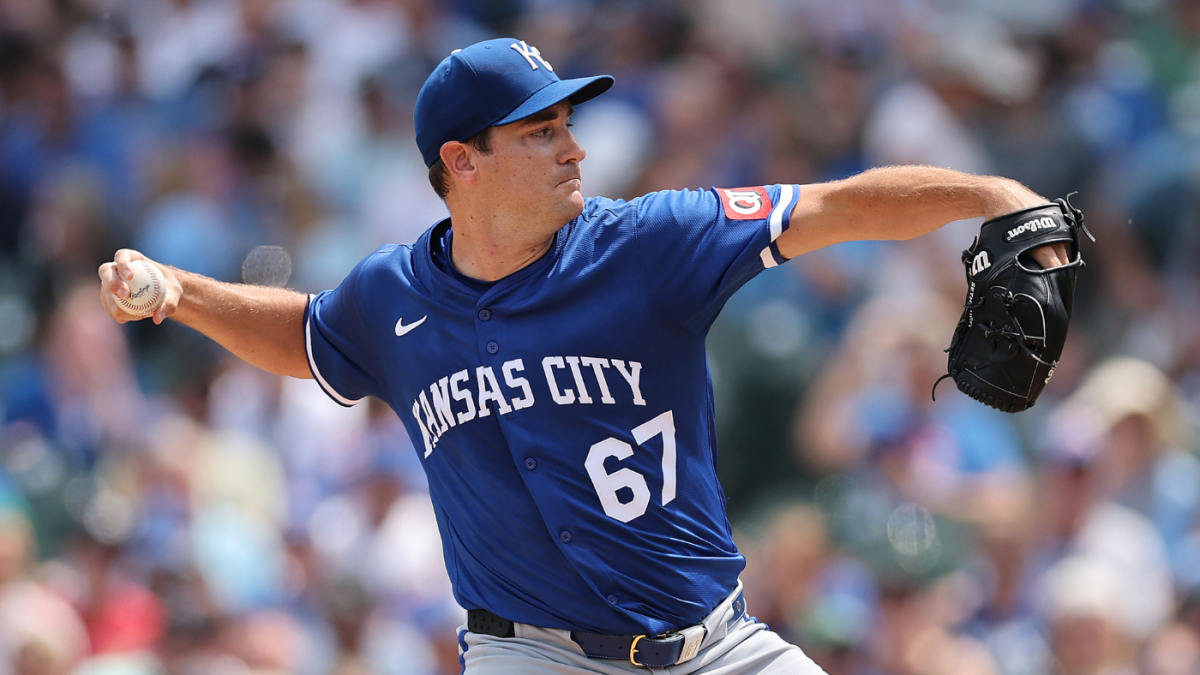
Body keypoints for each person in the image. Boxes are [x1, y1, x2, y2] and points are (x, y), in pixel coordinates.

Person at [99, 38, 1072, 674]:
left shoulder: (649, 243)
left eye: (570, 124)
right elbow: (309, 332)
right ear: (461, 165)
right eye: (542, 131)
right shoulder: (392, 297)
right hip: (533, 656)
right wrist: (185, 295)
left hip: (712, 646)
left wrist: (987, 194)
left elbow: (837, 205)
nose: (574, 148)